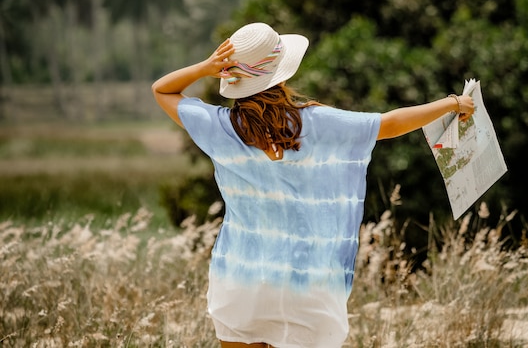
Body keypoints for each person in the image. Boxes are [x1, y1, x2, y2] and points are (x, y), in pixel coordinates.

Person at [152, 22, 474, 348]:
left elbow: (162, 89)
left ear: (232, 79)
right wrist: (451, 104)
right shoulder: (313, 121)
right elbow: (388, 124)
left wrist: (206, 68)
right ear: (282, 75)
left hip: (239, 281)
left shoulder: (218, 127)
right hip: (303, 284)